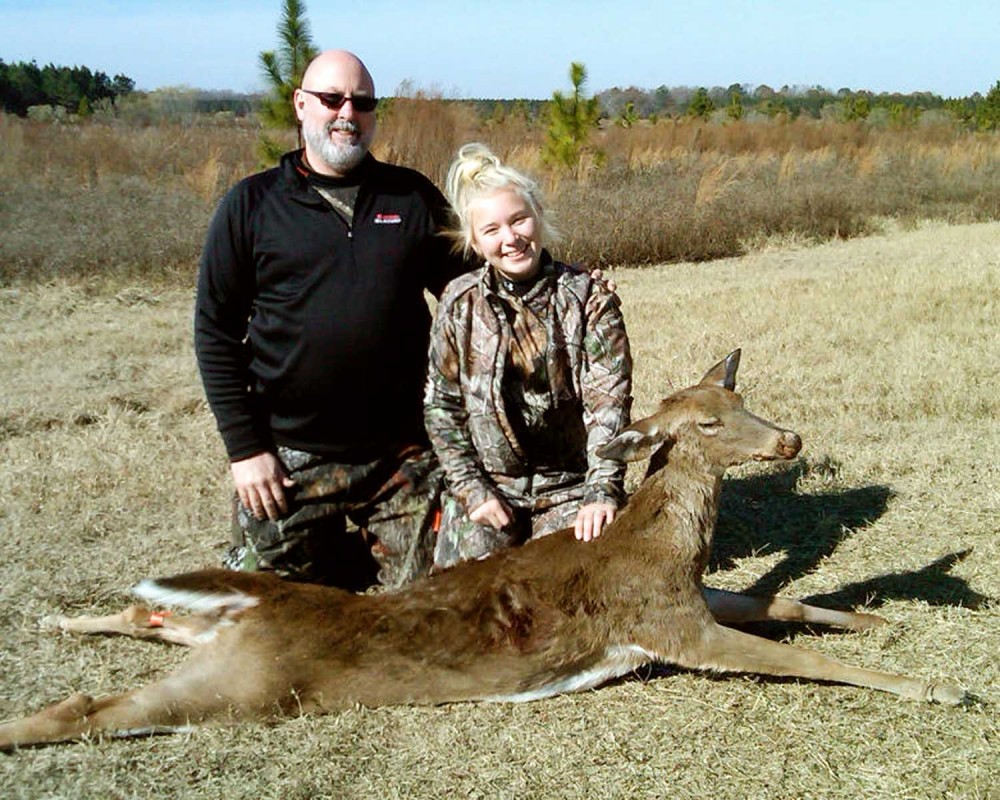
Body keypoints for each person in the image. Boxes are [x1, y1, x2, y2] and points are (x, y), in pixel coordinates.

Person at [194, 50, 470, 589]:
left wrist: (567, 282)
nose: (348, 112)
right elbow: (215, 332)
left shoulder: (410, 196)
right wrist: (247, 451)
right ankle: (328, 553)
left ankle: (366, 552)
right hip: (291, 456)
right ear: (301, 105)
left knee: (433, 596)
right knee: (269, 605)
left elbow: (476, 285)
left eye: (362, 102)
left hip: (401, 454)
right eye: (331, 99)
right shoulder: (251, 205)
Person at [424, 143, 633, 570]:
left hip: (570, 490)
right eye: (492, 230)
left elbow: (608, 409)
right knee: (462, 599)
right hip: (489, 490)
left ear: (537, 216)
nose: (510, 238)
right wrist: (472, 490)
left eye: (519, 219)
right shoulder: (458, 304)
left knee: (568, 589)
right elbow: (441, 409)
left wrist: (601, 492)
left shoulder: (589, 300)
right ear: (475, 242)